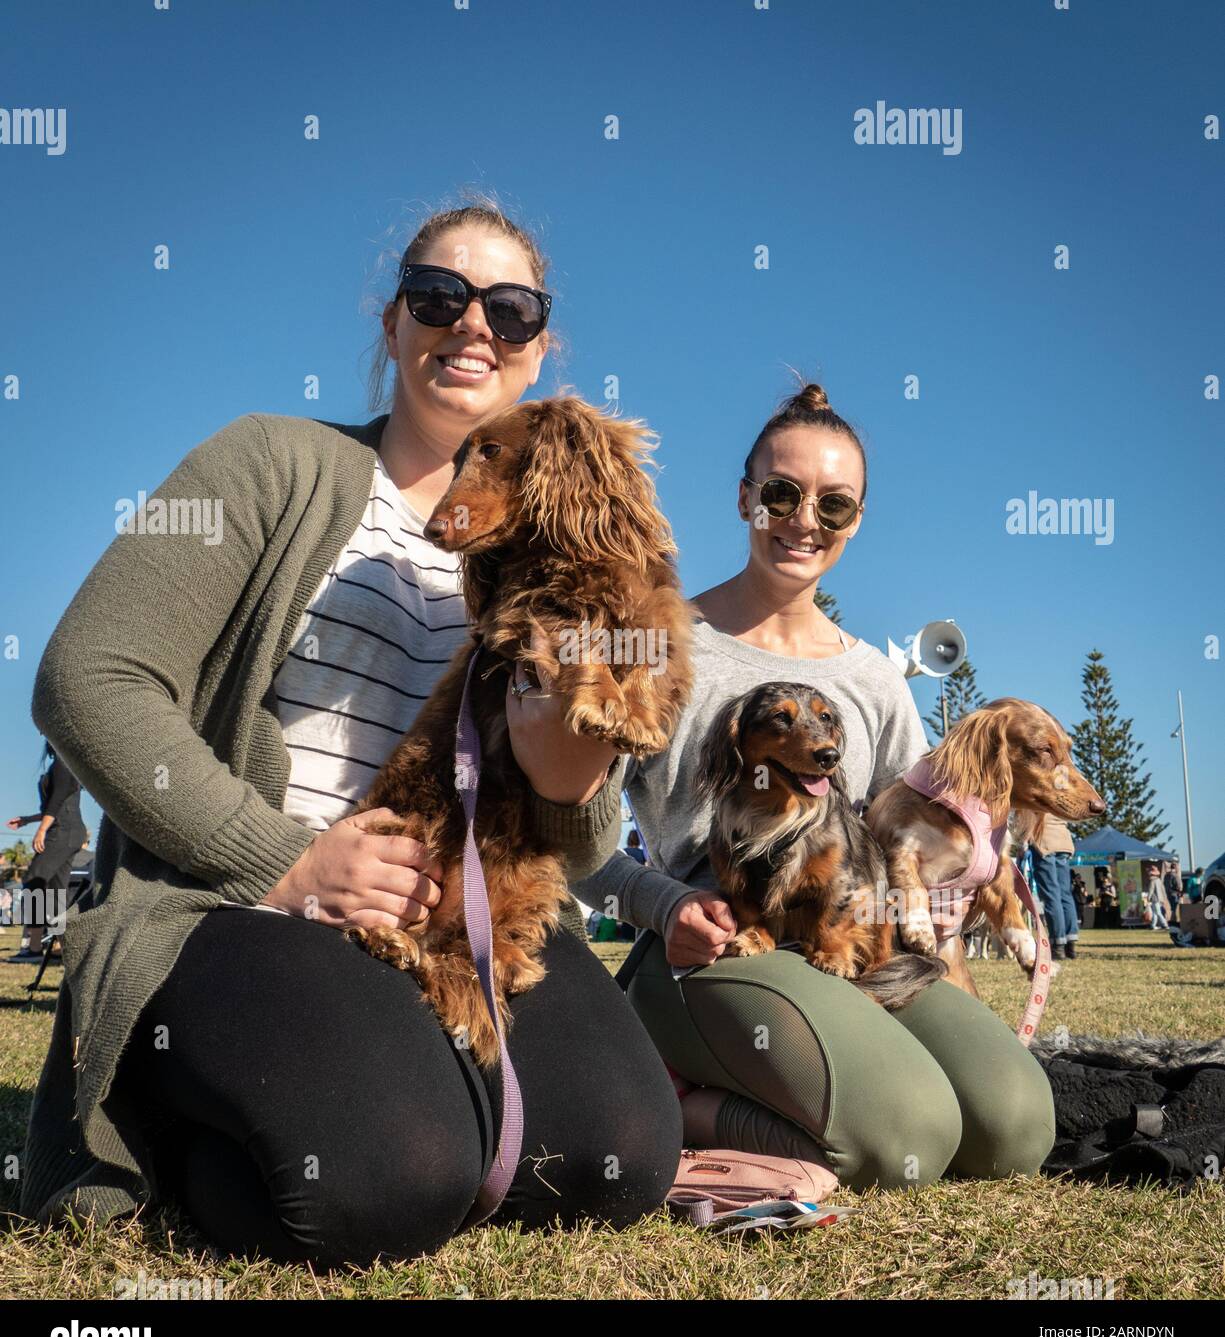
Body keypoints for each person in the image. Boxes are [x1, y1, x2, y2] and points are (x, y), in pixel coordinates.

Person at [18, 202, 679, 1269]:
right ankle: (162, 1110)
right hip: (239, 903)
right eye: (437, 295)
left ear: (539, 348)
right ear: (392, 323)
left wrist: (568, 739)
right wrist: (283, 860)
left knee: (618, 1160)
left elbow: (587, 838)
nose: (473, 326)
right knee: (389, 1179)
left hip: (457, 913)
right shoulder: (272, 461)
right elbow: (90, 675)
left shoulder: (555, 538)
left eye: (510, 310)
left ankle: (370, 1086)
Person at [575, 382, 1055, 1190]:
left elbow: (906, 843)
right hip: (713, 951)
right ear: (743, 499)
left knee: (1012, 1128)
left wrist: (954, 913)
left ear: (856, 520)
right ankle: (675, 1100)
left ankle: (789, 1074)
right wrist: (662, 906)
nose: (804, 521)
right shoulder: (655, 645)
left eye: (833, 506)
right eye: (781, 494)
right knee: (907, 1133)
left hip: (847, 945)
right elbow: (568, 839)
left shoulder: (872, 679)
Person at [5, 740, 87, 961]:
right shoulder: (62, 765)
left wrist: (41, 830)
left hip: (63, 831)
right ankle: (61, 949)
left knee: (34, 880)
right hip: (69, 831)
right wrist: (27, 820)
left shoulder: (63, 764)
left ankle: (33, 948)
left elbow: (58, 800)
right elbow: (53, 806)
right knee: (55, 889)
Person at [1029, 815, 1078, 961]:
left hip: (1044, 842)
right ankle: (1071, 944)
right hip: (1063, 841)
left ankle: (1058, 944)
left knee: (1051, 896)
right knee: (1065, 895)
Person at [1146, 864, 1171, 932]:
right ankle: (1153, 926)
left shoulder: (1152, 881)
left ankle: (1165, 925)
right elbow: (1163, 890)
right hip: (1159, 899)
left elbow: (1151, 890)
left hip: (1154, 899)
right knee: (1155, 913)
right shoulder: (1159, 880)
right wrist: (1164, 898)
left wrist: (1148, 898)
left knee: (1158, 912)